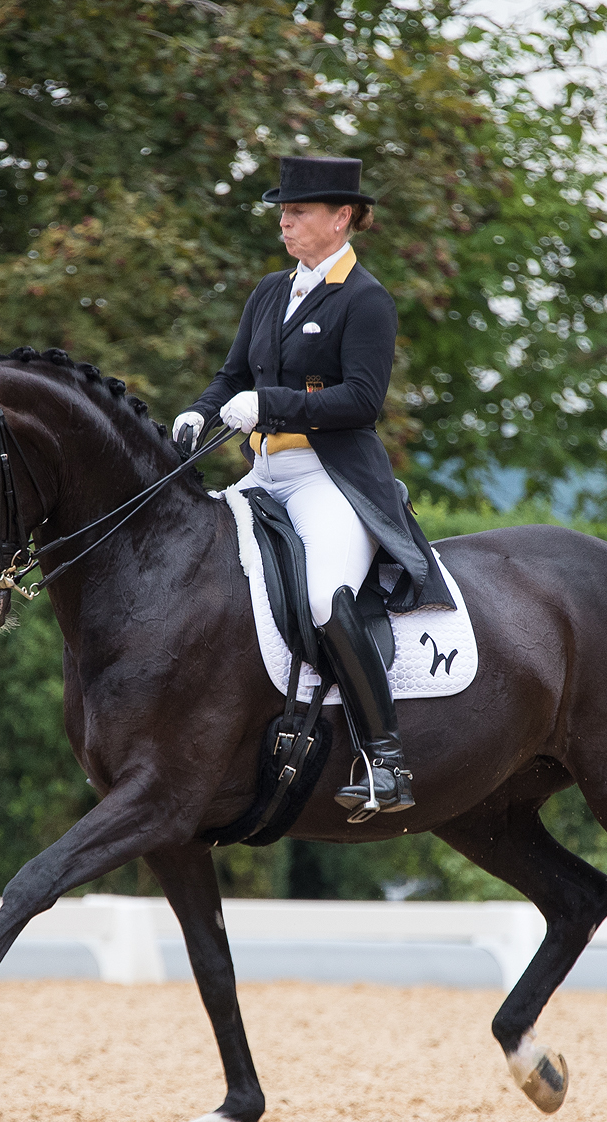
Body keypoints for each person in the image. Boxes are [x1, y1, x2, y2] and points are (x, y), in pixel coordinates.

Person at [174, 156, 453, 822]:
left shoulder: (366, 300)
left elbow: (361, 400)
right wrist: (202, 410)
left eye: (297, 212)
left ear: (342, 217)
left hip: (329, 478)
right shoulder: (271, 291)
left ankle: (385, 760)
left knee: (326, 597)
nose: (284, 222)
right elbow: (231, 373)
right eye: (283, 212)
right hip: (263, 472)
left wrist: (269, 402)